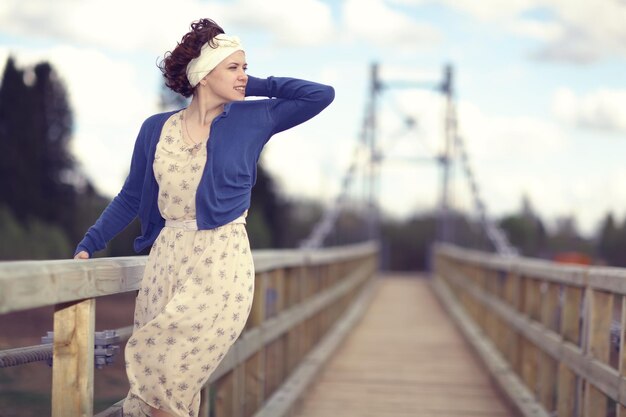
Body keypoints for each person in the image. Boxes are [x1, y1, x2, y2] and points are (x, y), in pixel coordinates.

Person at [74, 18, 334, 417]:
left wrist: (255, 85)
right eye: (234, 67)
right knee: (170, 391)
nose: (244, 75)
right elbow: (131, 196)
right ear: (202, 74)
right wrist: (91, 243)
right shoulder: (156, 130)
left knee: (163, 375)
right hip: (166, 261)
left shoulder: (253, 119)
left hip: (221, 265)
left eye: (245, 67)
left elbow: (320, 95)